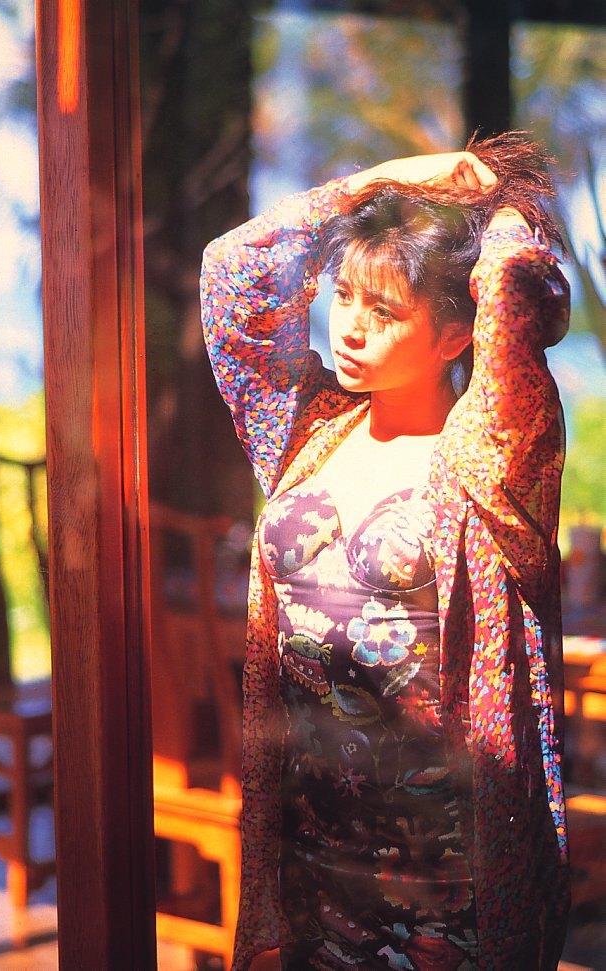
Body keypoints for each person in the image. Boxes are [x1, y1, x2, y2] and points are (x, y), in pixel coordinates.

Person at [200, 133, 571, 971]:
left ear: (456, 335)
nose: (351, 328)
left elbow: (518, 293)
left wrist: (497, 207)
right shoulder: (308, 431)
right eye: (342, 296)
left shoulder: (490, 458)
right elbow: (231, 273)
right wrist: (379, 182)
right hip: (313, 848)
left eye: (385, 310)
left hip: (447, 866)